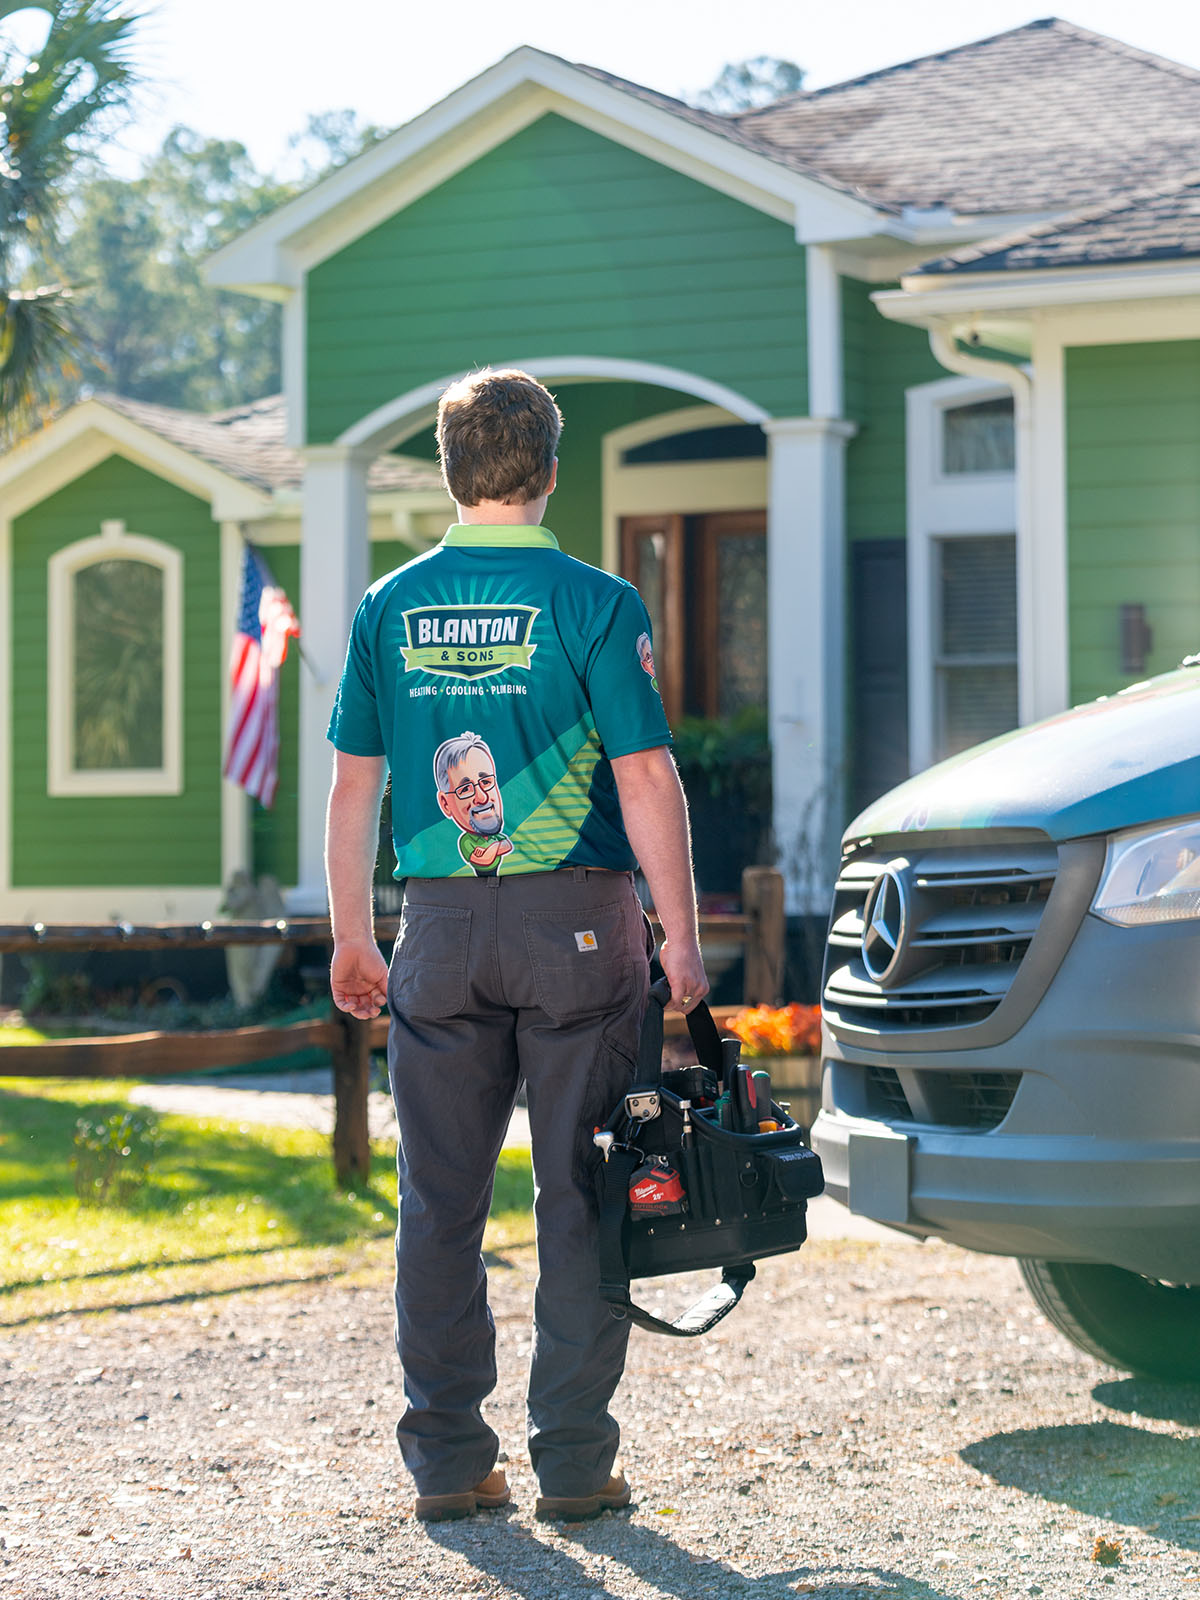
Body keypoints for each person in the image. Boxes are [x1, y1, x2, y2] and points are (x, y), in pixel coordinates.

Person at [324, 367, 708, 1524]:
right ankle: (576, 1465)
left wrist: (353, 935)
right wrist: (680, 938)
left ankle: (450, 1463)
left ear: (452, 472)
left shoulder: (388, 606)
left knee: (438, 1203)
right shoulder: (598, 603)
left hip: (435, 924)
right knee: (579, 1193)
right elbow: (645, 778)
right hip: (579, 930)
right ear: (549, 470)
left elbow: (353, 790)